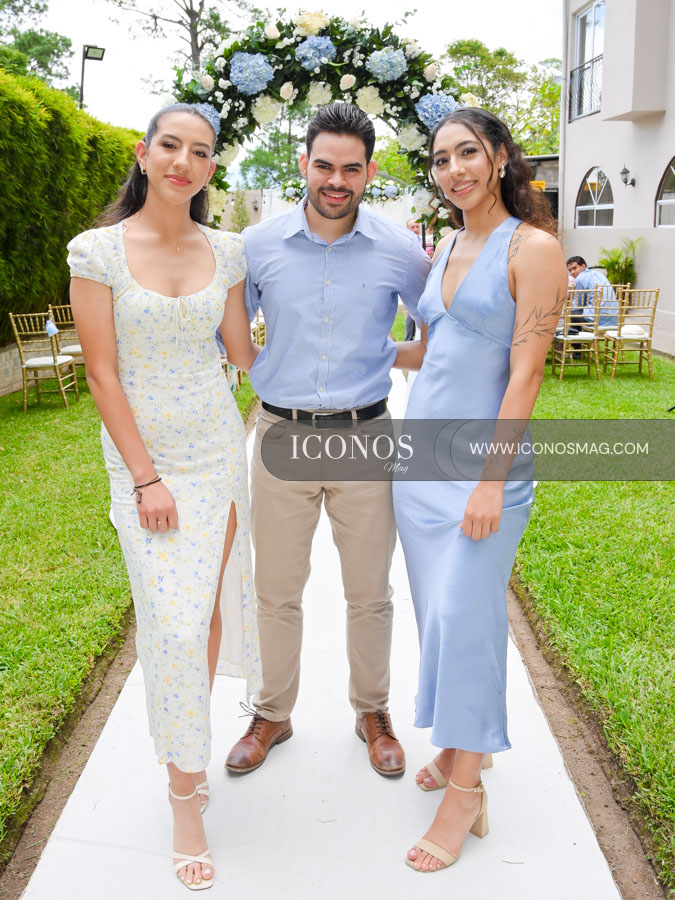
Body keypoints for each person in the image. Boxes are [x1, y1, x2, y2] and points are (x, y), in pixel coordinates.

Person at [67, 102, 261, 892]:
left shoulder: (228, 250)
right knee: (173, 625)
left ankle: (191, 752)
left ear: (212, 168)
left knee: (204, 612)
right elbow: (101, 373)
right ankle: (184, 797)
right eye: (171, 146)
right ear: (145, 155)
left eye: (200, 151)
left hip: (216, 449)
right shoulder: (98, 250)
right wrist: (146, 477)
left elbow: (243, 353)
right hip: (143, 460)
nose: (184, 161)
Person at [224, 103, 430, 779]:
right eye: (324, 165)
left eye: (350, 168)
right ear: (303, 164)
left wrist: (388, 353)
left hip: (365, 434)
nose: (335, 180)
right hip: (281, 433)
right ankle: (272, 713)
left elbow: (437, 328)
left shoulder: (400, 250)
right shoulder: (257, 246)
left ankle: (372, 712)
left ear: (369, 171)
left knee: (369, 590)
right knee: (276, 589)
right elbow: (230, 334)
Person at [393, 107, 567, 873]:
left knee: (468, 617)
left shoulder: (534, 249)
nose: (453, 169)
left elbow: (523, 374)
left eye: (466, 152)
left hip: (481, 472)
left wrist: (491, 484)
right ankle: (464, 747)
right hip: (420, 466)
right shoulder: (446, 245)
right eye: (440, 159)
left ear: (498, 156)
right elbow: (431, 353)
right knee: (439, 618)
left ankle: (464, 793)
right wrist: (347, 349)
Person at [566, 256, 618, 328]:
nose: (572, 272)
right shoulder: (598, 274)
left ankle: (576, 334)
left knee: (572, 314)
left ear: (583, 266)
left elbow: (578, 305)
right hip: (614, 318)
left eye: (574, 268)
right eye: (570, 270)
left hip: (598, 318)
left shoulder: (579, 279)